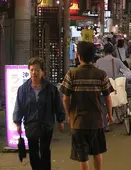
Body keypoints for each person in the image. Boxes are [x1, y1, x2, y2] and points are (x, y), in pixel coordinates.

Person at [60, 41, 114, 170]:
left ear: (79, 56)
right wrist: (110, 115)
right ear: (93, 56)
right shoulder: (101, 74)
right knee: (97, 152)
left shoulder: (72, 73)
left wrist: (69, 114)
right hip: (97, 121)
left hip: (78, 121)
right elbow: (108, 97)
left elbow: (65, 98)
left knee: (82, 156)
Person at [13, 57, 65, 170]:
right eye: (31, 70)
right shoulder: (23, 89)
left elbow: (58, 105)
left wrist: (60, 120)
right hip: (31, 124)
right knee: (33, 152)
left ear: (42, 72)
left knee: (45, 150)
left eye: (37, 70)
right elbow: (19, 106)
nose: (34, 73)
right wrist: (17, 123)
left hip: (46, 124)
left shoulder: (51, 89)